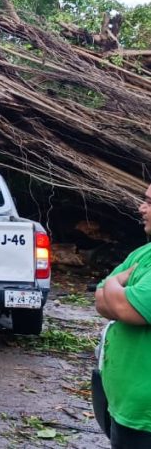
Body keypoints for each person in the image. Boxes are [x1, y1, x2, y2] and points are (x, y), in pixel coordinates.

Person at [94, 180, 151, 448]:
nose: (141, 208)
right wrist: (113, 292)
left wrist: (115, 285)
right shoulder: (144, 252)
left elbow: (124, 309)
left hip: (146, 418)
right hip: (128, 410)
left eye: (150, 202)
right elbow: (101, 302)